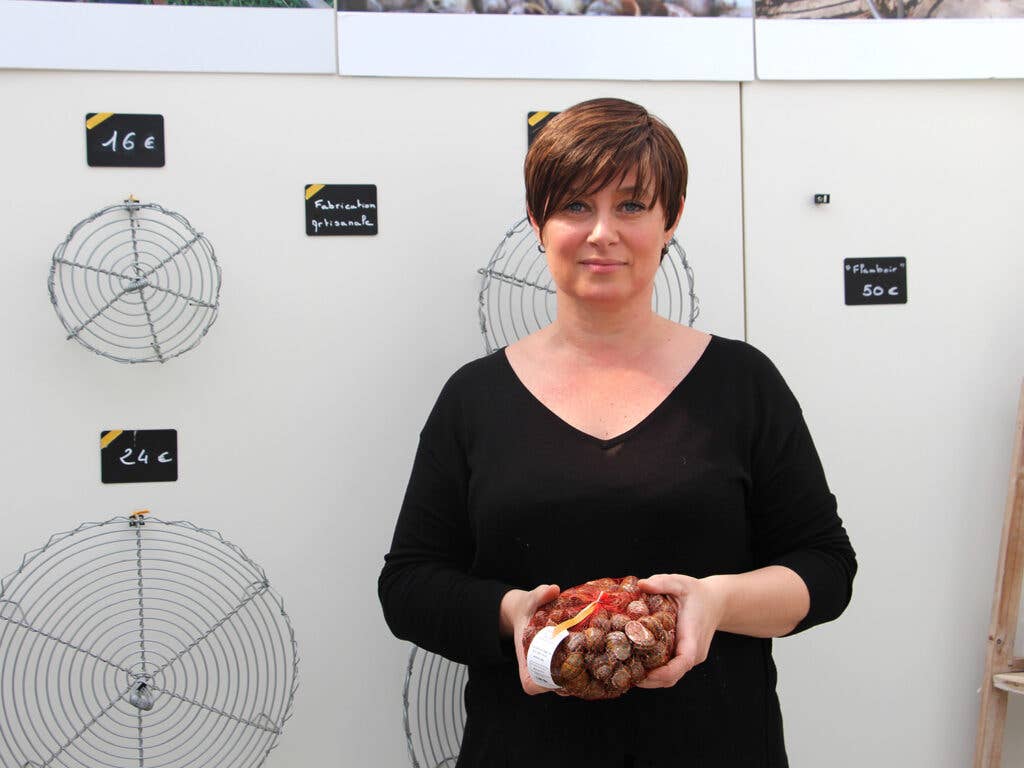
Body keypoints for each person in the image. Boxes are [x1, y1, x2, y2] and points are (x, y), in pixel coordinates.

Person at [379, 97, 856, 768]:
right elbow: (409, 586)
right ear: (537, 223)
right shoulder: (475, 397)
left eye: (631, 206)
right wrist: (515, 613)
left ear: (672, 220)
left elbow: (826, 569)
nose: (602, 231)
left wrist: (715, 601)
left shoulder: (743, 383)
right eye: (575, 206)